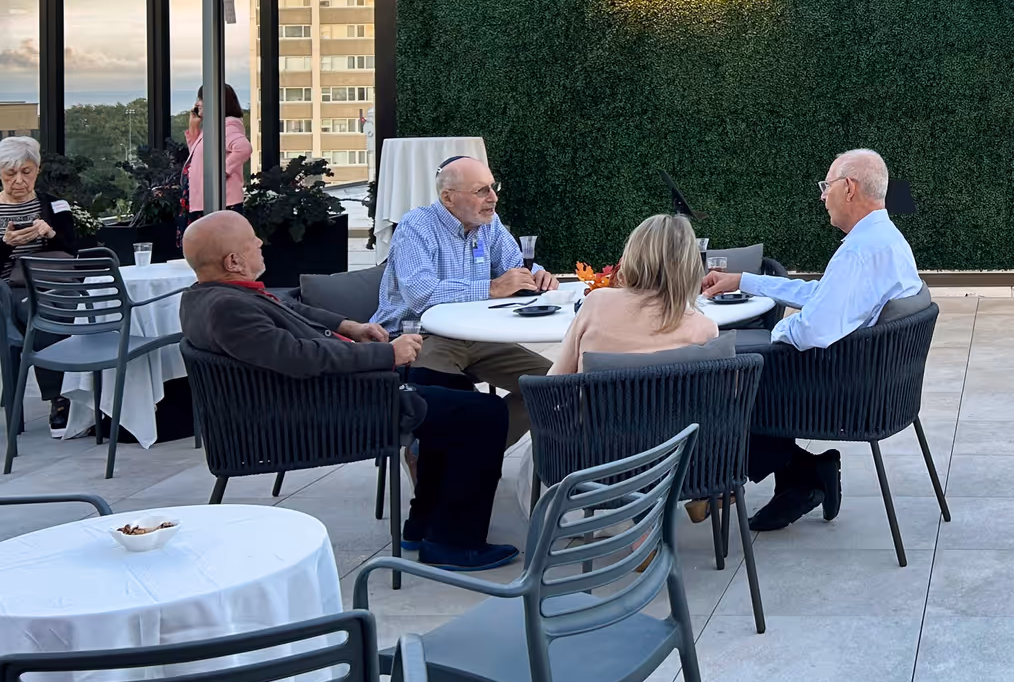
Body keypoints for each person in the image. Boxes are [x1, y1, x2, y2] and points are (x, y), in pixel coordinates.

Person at [179, 210, 516, 570]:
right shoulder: (230, 310)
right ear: (234, 261)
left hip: (323, 397)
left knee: (442, 386)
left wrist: (348, 326)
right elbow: (300, 357)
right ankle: (454, 544)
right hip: (324, 412)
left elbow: (290, 310)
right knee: (485, 413)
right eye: (252, 241)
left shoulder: (209, 296)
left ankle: (424, 525)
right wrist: (386, 354)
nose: (261, 243)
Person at [701, 148, 922, 533]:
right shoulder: (886, 239)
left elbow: (814, 330)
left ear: (849, 188)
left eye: (826, 186)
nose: (822, 196)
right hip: (876, 380)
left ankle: (721, 479)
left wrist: (774, 334)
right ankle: (799, 477)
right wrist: (743, 281)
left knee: (722, 370)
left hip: (846, 387)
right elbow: (822, 297)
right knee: (749, 358)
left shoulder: (858, 252)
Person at [376, 156, 556, 443]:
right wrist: (491, 288)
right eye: (481, 191)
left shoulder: (488, 223)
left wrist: (536, 275)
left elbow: (513, 266)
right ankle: (440, 456)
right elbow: (420, 294)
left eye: (493, 187)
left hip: (477, 333)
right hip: (419, 337)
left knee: (558, 385)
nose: (493, 198)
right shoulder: (416, 226)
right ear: (448, 198)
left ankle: (475, 452)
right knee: (457, 402)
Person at [551, 213, 719, 375]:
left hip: (599, 404)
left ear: (631, 255)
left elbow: (555, 381)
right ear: (690, 267)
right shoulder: (705, 330)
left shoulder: (596, 303)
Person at [0, 135, 78, 425]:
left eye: (26, 172)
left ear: (37, 170)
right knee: (41, 312)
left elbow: (73, 251)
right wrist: (6, 245)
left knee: (83, 310)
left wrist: (50, 235)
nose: (19, 180)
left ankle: (89, 397)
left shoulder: (55, 206)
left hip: (55, 283)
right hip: (10, 290)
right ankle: (58, 398)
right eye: (10, 173)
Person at [185, 83, 252, 214]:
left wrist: (221, 172)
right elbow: (197, 156)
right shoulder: (213, 128)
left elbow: (244, 148)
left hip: (222, 203)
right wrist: (193, 127)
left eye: (201, 99)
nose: (197, 103)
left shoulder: (226, 127)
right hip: (206, 202)